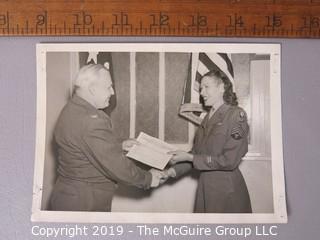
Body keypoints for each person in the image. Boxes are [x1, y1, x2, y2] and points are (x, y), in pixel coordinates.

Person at [50, 64, 163, 212]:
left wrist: (119, 145)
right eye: (109, 87)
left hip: (69, 195)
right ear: (93, 89)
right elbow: (117, 166)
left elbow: (86, 146)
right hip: (85, 201)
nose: (113, 92)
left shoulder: (72, 109)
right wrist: (148, 178)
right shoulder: (91, 120)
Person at [164, 69, 252, 213]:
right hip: (205, 187)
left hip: (225, 190)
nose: (202, 93)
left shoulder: (237, 115)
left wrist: (191, 157)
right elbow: (196, 154)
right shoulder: (208, 117)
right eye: (200, 89)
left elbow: (229, 160)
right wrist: (171, 172)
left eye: (206, 87)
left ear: (222, 87)